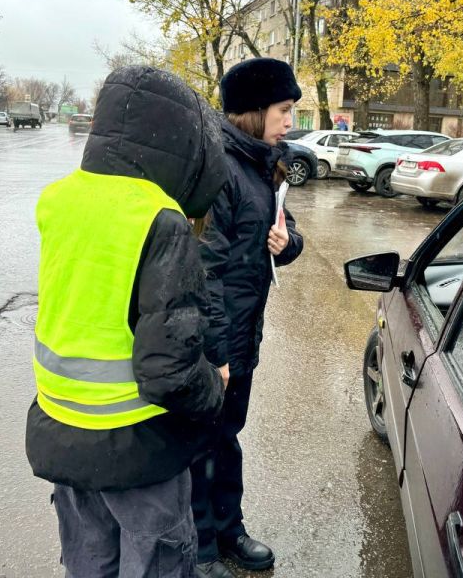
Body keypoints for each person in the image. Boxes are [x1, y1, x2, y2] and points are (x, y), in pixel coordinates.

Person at [25, 66, 229, 578]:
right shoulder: (159, 219)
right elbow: (168, 370)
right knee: (156, 561)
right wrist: (215, 386)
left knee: (88, 558)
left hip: (61, 429)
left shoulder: (59, 199)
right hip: (135, 443)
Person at [192, 58, 305, 578]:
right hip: (218, 342)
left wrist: (288, 244)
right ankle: (199, 548)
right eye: (283, 110)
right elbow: (203, 270)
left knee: (227, 435)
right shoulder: (219, 170)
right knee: (202, 444)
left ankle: (229, 528)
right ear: (253, 112)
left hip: (243, 335)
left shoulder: (267, 164)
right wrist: (215, 355)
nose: (290, 122)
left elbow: (287, 231)